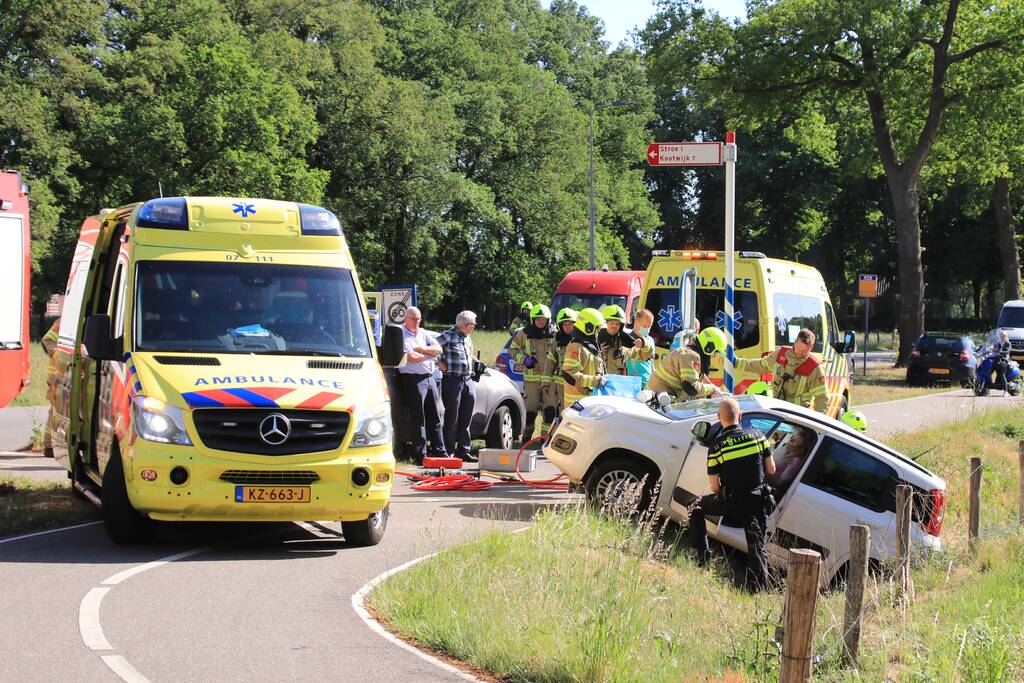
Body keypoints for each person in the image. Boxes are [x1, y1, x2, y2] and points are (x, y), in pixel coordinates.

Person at [689, 397, 776, 592]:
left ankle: (702, 561)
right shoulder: (758, 436)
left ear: (719, 418)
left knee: (694, 507)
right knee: (756, 546)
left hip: (731, 503)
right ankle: (756, 589)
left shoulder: (717, 446)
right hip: (756, 502)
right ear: (741, 416)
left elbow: (715, 488)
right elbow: (771, 470)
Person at [735, 328, 828, 413]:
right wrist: (737, 362)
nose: (799, 354)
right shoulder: (780, 354)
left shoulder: (814, 368)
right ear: (795, 342)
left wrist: (817, 427)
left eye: (804, 351)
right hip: (776, 411)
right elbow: (761, 365)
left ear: (811, 348)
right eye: (798, 349)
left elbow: (822, 398)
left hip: (797, 417)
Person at [396, 307, 446, 465]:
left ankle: (440, 451)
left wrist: (423, 350)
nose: (417, 322)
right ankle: (420, 455)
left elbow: (439, 349)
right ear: (406, 318)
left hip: (430, 378)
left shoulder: (423, 333)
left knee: (435, 416)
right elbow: (411, 357)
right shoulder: (401, 335)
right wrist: (429, 356)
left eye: (418, 319)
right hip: (413, 379)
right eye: (413, 319)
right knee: (418, 418)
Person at [510, 303, 557, 442]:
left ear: (548, 320)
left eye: (543, 319)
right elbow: (513, 350)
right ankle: (526, 439)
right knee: (530, 413)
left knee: (549, 412)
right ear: (532, 320)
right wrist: (524, 359)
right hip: (531, 380)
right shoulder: (524, 333)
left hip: (549, 381)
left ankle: (544, 440)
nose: (540, 322)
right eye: (538, 319)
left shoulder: (555, 334)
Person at [645, 324, 727, 400]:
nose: (715, 356)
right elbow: (691, 388)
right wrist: (712, 389)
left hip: (657, 397)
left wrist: (709, 391)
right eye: (716, 352)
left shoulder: (688, 352)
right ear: (709, 347)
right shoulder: (691, 356)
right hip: (657, 400)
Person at [437, 311, 479, 459]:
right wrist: (440, 363)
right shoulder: (448, 335)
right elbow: (433, 347)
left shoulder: (467, 338)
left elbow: (470, 351)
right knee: (452, 417)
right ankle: (449, 450)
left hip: (467, 380)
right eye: (473, 324)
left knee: (466, 417)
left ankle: (464, 450)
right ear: (466, 324)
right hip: (452, 381)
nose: (474, 326)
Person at [561, 308, 608, 409]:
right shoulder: (576, 346)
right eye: (597, 328)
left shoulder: (587, 344)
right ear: (589, 328)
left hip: (587, 401)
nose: (599, 331)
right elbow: (569, 374)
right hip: (577, 404)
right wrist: (596, 381)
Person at [598, 304, 653, 377]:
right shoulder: (592, 342)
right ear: (605, 323)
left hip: (615, 385)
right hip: (596, 384)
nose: (614, 326)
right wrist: (597, 353)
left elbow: (644, 355)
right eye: (612, 323)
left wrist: (644, 343)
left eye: (617, 324)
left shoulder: (624, 345)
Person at [547, 307, 578, 413]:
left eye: (571, 324)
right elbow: (549, 363)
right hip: (559, 386)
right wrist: (545, 384)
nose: (568, 327)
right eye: (565, 324)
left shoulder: (580, 341)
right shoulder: (556, 341)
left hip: (576, 384)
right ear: (560, 326)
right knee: (560, 412)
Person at [766, 428, 813, 492]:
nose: (789, 442)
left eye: (793, 440)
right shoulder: (787, 449)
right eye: (791, 438)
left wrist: (766, 472)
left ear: (802, 450)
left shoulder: (795, 463)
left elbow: (778, 485)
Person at [40, 319, 60, 458]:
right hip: (58, 376)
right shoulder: (64, 322)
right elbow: (47, 340)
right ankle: (48, 445)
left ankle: (49, 445)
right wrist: (59, 354)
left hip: (68, 374)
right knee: (56, 409)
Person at [625, 308, 656, 386]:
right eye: (645, 326)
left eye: (649, 326)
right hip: (631, 385)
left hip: (647, 385)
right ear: (636, 322)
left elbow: (651, 364)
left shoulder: (650, 340)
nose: (647, 329)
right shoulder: (626, 340)